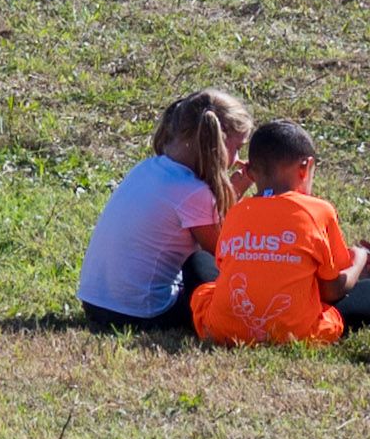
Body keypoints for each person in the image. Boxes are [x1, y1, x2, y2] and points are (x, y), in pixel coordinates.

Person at [77, 92, 248, 335]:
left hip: (95, 305)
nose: (238, 159)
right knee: (203, 263)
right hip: (142, 313)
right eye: (237, 148)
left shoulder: (147, 168)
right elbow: (223, 250)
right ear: (216, 143)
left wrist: (234, 189)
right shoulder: (193, 192)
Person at [192, 119, 370, 349]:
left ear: (249, 172)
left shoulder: (236, 212)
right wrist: (360, 258)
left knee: (201, 269)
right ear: (305, 167)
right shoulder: (317, 210)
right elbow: (331, 291)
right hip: (296, 333)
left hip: (223, 330)